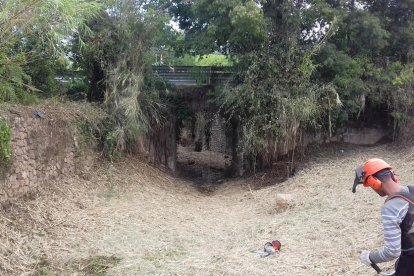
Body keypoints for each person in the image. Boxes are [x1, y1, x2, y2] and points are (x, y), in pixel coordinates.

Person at [353, 158, 414, 276]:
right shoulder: (412, 189)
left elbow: (392, 252)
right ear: (393, 175)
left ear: (373, 182)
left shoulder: (390, 208)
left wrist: (370, 257)